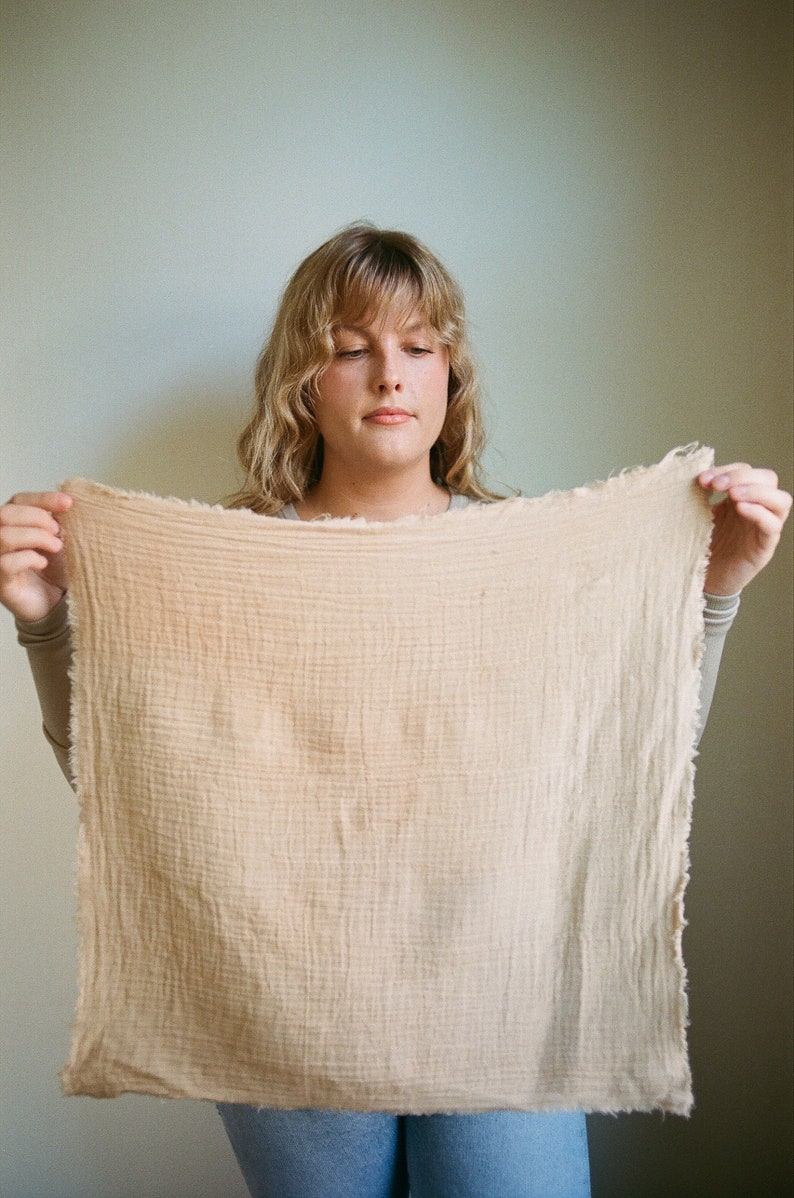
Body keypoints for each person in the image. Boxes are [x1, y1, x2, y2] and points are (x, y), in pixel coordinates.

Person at [1, 224, 790, 1198]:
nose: (388, 375)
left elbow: (636, 754)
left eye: (419, 347)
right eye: (349, 347)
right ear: (302, 376)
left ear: (449, 376)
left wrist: (711, 592)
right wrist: (44, 627)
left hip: (497, 983)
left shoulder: (526, 561)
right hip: (284, 994)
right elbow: (133, 790)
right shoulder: (223, 568)